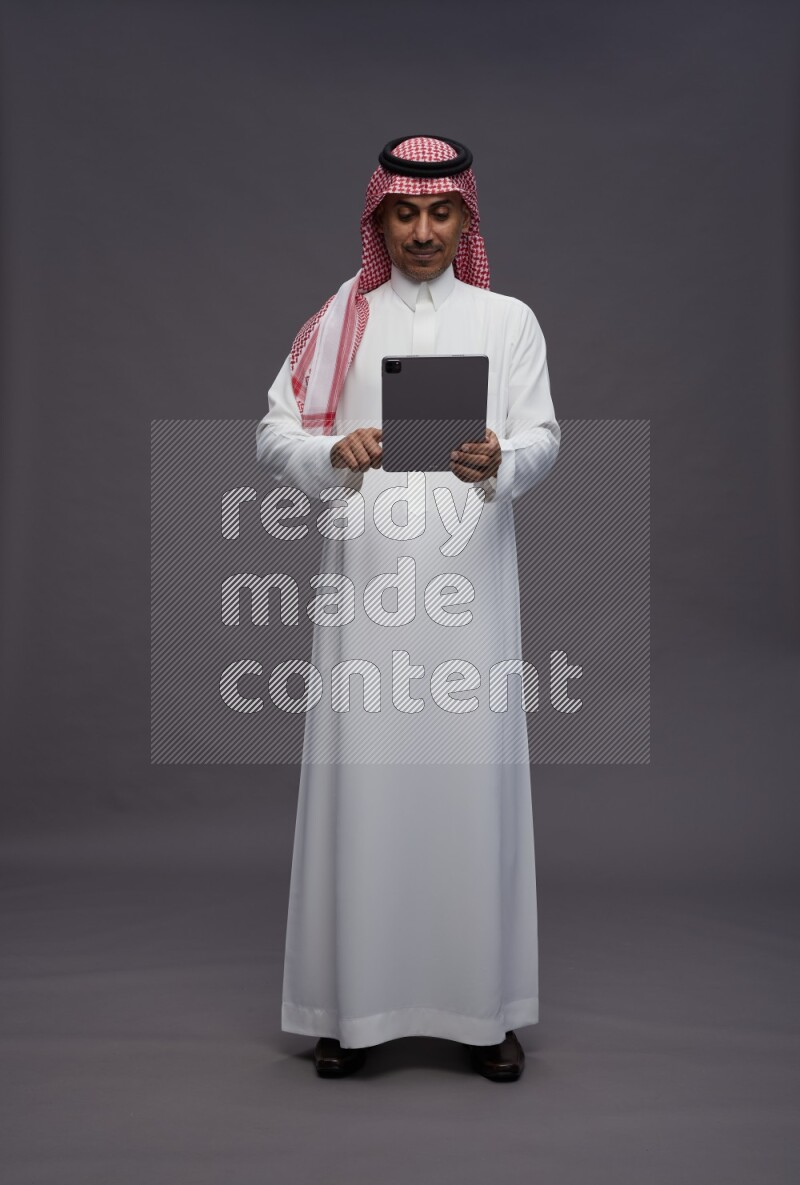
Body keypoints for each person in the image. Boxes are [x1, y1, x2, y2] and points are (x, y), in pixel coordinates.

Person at [255, 135, 560, 1082]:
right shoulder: (339, 319)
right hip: (366, 597)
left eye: (442, 215)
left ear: (466, 219)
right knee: (366, 783)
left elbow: (544, 437)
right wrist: (329, 453)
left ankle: (485, 1013)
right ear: (379, 217)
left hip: (471, 595)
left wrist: (500, 463)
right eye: (405, 213)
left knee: (472, 785)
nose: (423, 233)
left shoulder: (509, 321)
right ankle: (348, 1008)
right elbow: (272, 434)